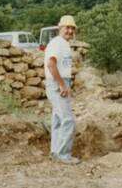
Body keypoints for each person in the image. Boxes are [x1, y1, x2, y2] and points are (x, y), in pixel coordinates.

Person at [44, 15, 80, 164]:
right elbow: (51, 65)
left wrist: (65, 83)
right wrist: (62, 84)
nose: (70, 30)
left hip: (61, 82)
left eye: (72, 28)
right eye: (67, 27)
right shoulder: (56, 43)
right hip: (56, 83)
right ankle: (64, 155)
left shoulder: (64, 44)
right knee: (68, 120)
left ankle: (55, 151)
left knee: (58, 120)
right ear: (60, 28)